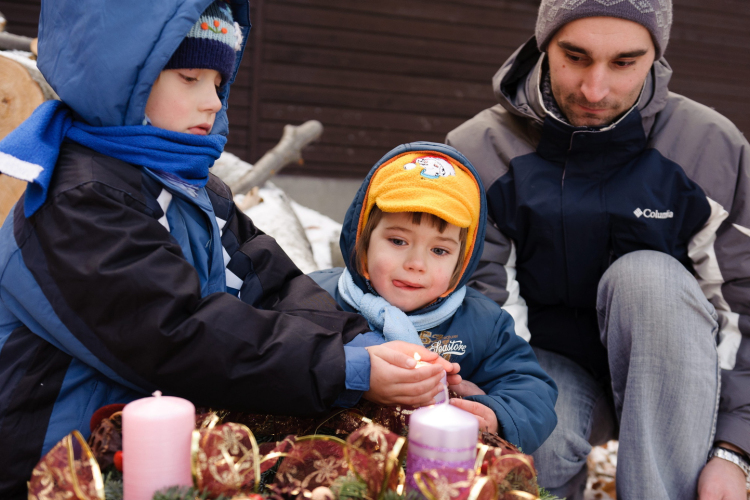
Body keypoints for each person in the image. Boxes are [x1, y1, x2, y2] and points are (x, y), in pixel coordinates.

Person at [0, 1, 457, 497]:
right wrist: (343, 367)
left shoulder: (191, 185)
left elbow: (275, 287)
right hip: (59, 461)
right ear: (121, 82)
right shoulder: (81, 200)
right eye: (190, 77)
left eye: (218, 82)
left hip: (150, 445)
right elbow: (176, 334)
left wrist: (362, 345)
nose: (214, 102)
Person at [446, 1, 750, 499]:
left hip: (673, 372)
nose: (595, 89)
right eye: (576, 56)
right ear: (545, 43)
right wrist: (510, 403)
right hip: (546, 366)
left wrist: (732, 449)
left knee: (649, 276)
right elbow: (482, 301)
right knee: (534, 441)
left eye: (624, 62)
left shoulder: (709, 147)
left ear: (656, 55)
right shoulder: (484, 148)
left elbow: (742, 308)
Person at [309, 141, 558, 453]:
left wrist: (496, 414)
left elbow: (530, 388)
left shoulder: (482, 322)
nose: (416, 263)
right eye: (398, 240)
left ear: (462, 261)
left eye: (439, 250)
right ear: (363, 238)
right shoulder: (315, 298)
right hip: (323, 459)